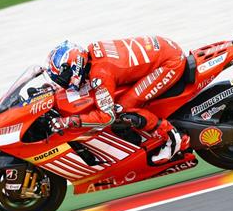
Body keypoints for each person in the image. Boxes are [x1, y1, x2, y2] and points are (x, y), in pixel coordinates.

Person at [46, 36, 190, 164]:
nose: (61, 82)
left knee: (121, 108)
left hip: (170, 63)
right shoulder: (92, 50)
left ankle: (172, 137)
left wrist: (70, 121)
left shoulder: (100, 74)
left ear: (74, 68)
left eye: (62, 77)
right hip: (164, 46)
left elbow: (107, 117)